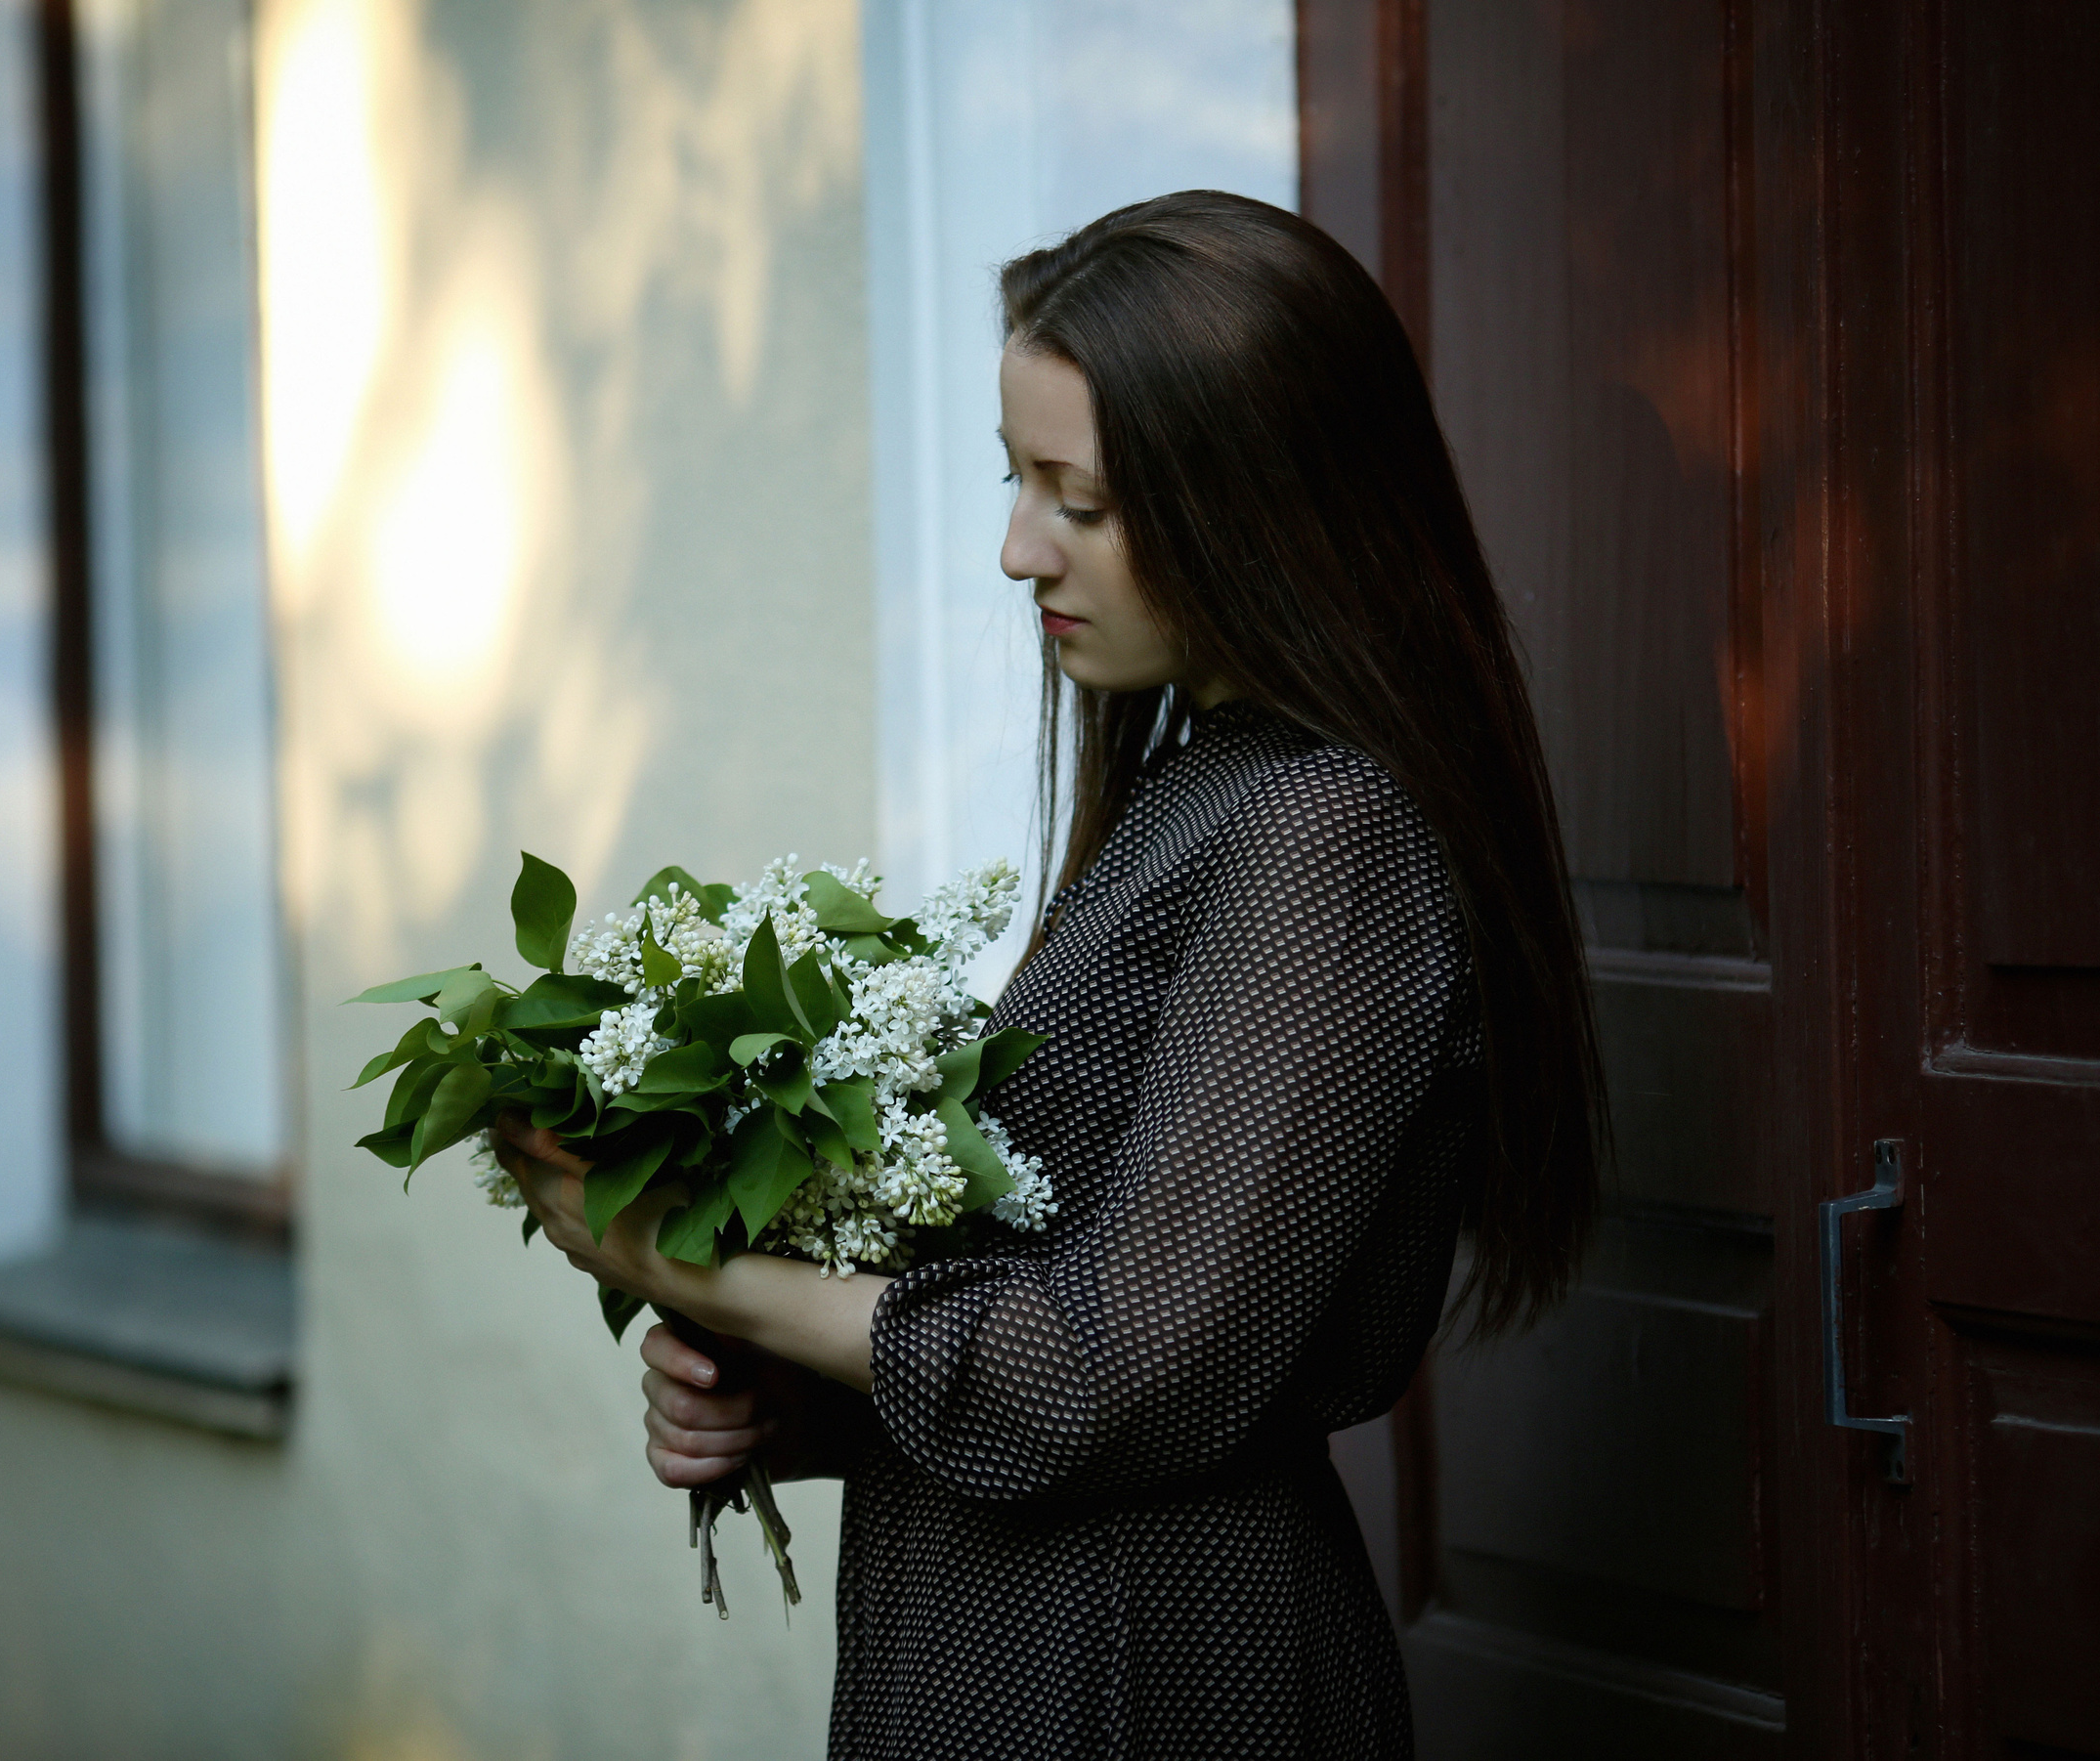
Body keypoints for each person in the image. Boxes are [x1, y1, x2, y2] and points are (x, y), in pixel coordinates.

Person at [499, 190, 1605, 1760]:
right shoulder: (1203, 786)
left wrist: (663, 1255)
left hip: (1152, 1664)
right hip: (1025, 1631)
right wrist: (801, 1411)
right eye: (1016, 484)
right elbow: (1077, 1313)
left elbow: (1110, 1372)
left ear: (1257, 502)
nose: (1020, 550)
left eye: (1075, 500)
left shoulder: (1327, 830)